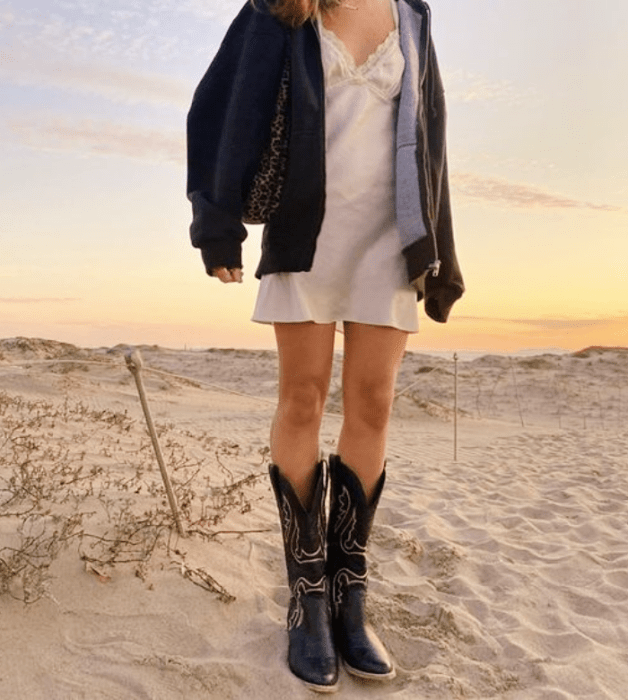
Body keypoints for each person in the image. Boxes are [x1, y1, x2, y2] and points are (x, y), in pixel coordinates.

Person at [187, 0, 464, 692]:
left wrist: (443, 256)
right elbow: (221, 105)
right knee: (303, 399)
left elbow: (432, 140)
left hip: (390, 239)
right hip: (307, 233)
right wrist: (216, 223)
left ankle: (350, 596)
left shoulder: (413, 15)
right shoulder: (282, 7)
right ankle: (307, 595)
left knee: (373, 404)